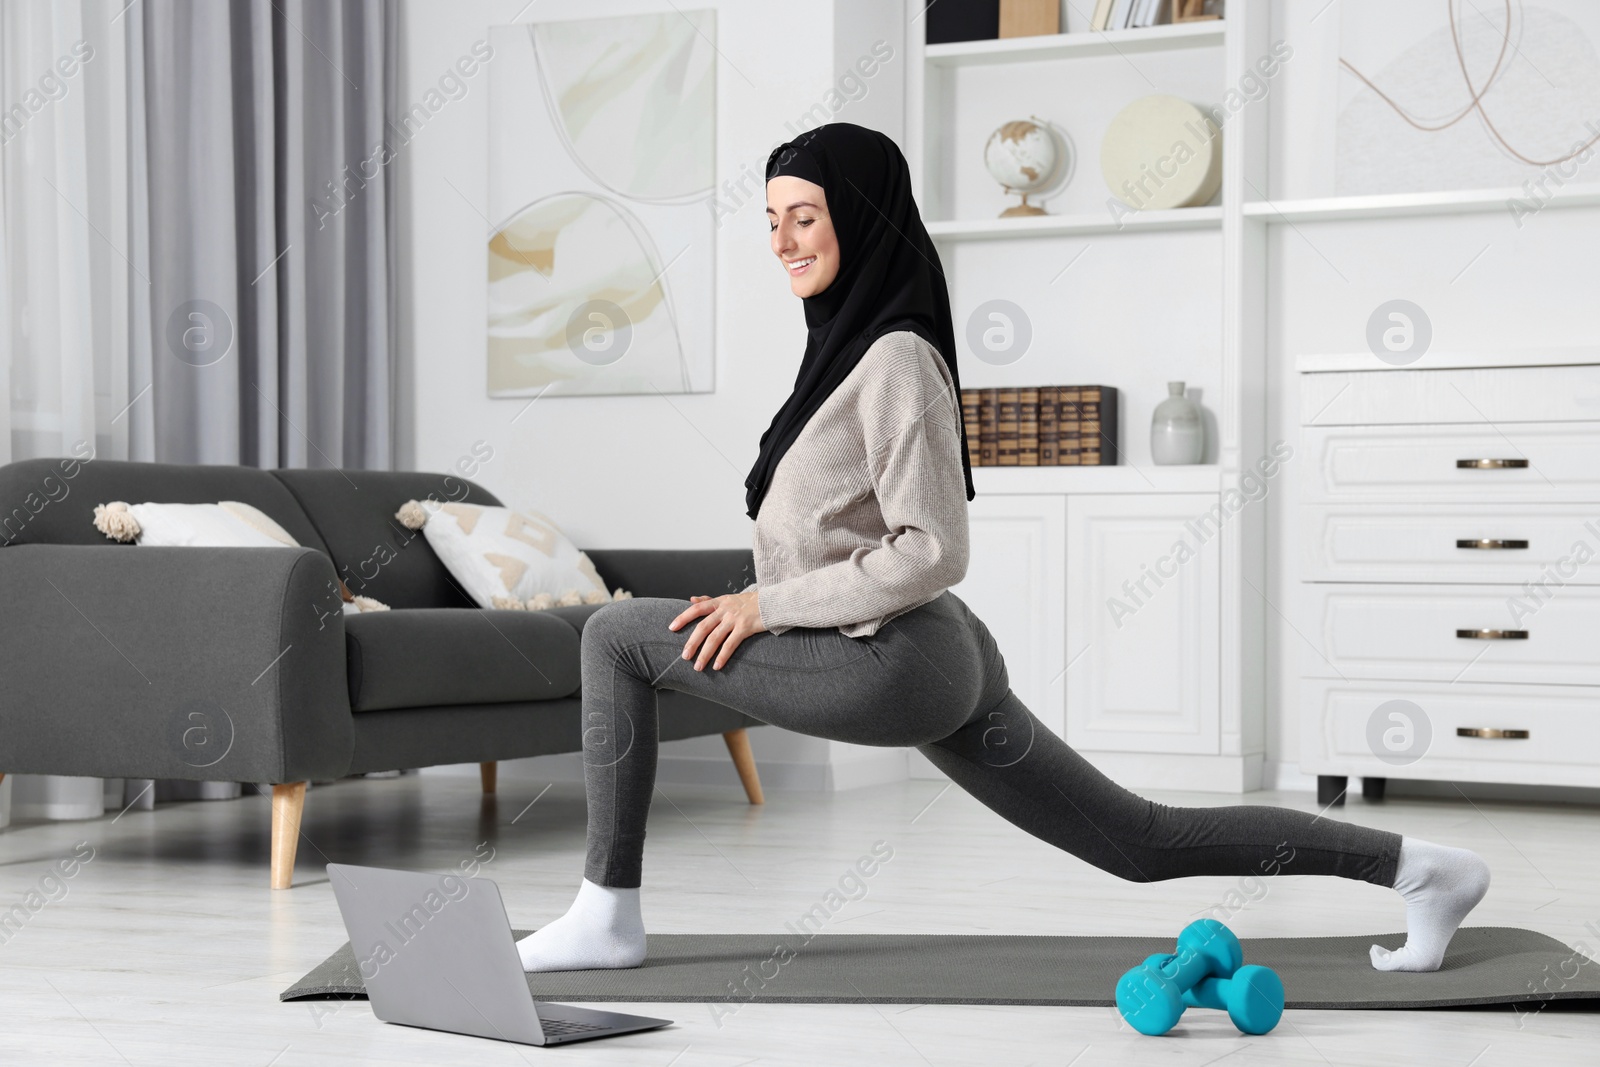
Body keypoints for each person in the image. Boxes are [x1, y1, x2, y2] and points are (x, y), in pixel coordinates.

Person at [516, 122, 1490, 976]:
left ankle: (606, 911)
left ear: (858, 215)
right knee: (1137, 839)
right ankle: (1420, 868)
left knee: (612, 635)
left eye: (804, 215)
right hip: (936, 657)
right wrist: (766, 598)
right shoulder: (843, 352)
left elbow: (933, 547)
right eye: (769, 218)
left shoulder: (896, 357)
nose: (781, 241)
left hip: (893, 658)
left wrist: (761, 606)